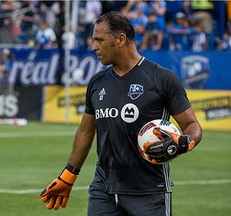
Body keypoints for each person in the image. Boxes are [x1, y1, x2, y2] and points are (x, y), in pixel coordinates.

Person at [40, 11, 202, 216]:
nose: (94, 47)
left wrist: (185, 142)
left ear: (121, 39)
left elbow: (192, 126)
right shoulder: (97, 82)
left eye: (99, 40)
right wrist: (68, 176)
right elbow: (85, 132)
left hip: (149, 192)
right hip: (103, 190)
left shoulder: (161, 78)